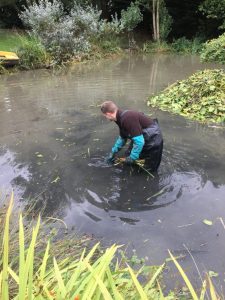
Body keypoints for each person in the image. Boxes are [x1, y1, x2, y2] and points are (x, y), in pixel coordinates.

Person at [101, 101, 163, 172]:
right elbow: (122, 138)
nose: (106, 118)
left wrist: (132, 158)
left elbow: (139, 142)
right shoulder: (119, 118)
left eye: (105, 116)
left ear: (108, 114)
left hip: (152, 137)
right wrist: (113, 152)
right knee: (129, 156)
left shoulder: (127, 118)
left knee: (147, 167)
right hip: (142, 135)